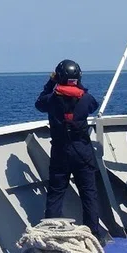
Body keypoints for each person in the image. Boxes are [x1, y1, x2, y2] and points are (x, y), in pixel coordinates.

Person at [35, 59, 105, 241]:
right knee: (89, 194)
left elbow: (39, 103)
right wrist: (78, 85)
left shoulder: (51, 100)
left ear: (59, 77)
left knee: (56, 194)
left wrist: (51, 82)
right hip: (82, 151)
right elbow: (94, 105)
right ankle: (93, 235)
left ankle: (50, 235)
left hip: (60, 151)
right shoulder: (86, 99)